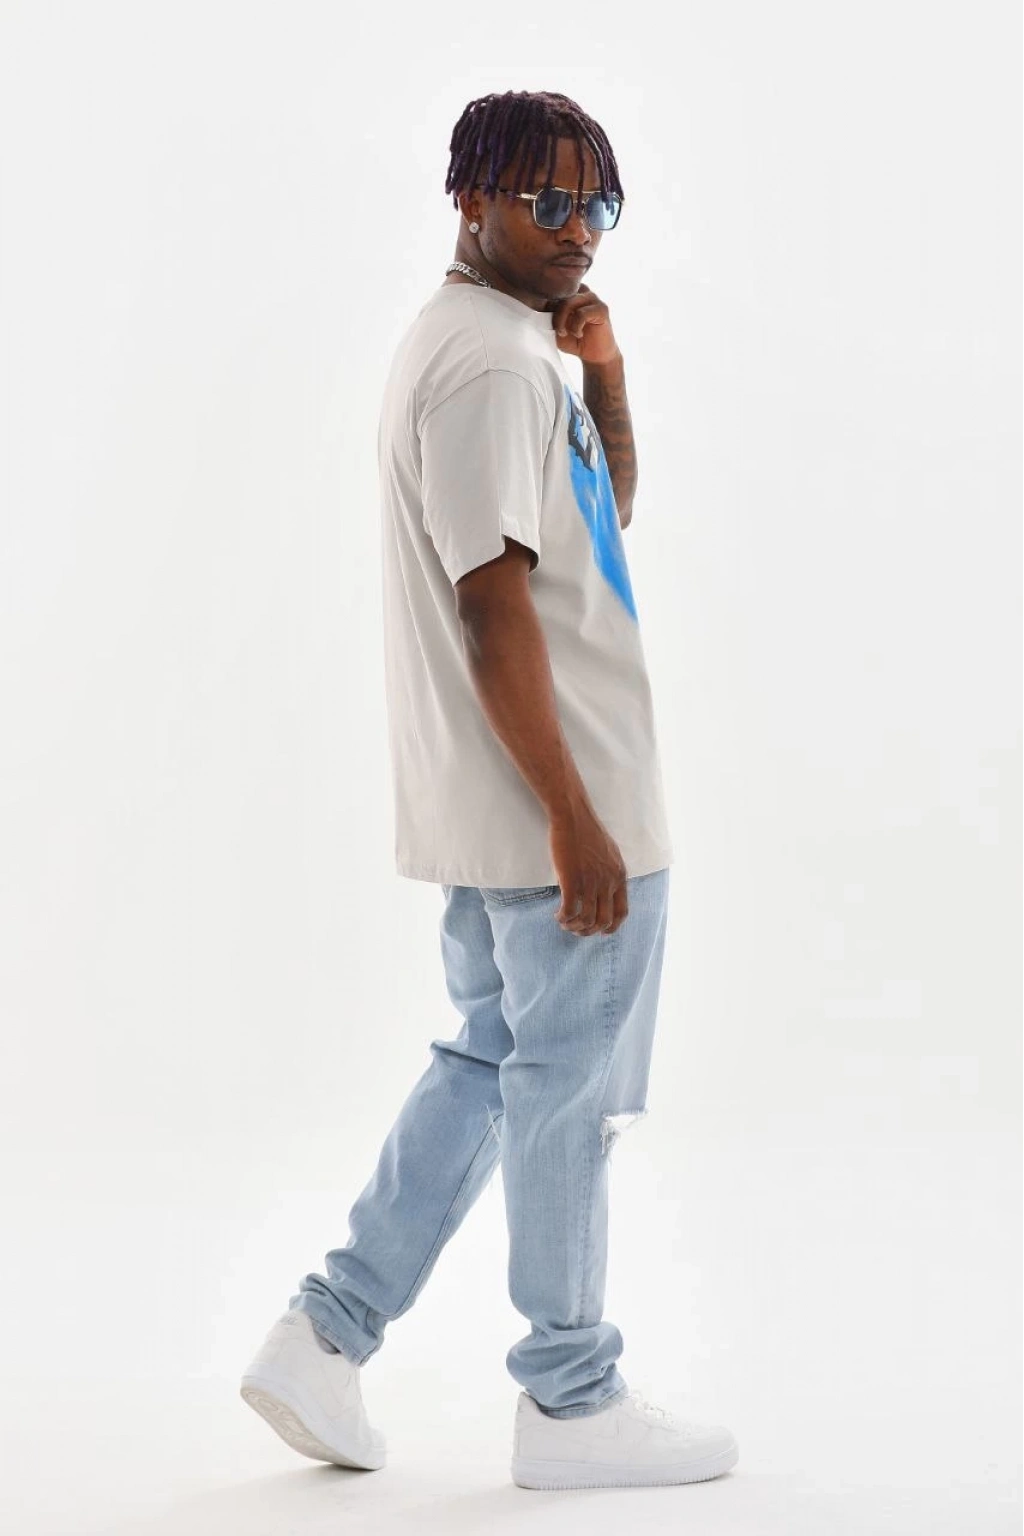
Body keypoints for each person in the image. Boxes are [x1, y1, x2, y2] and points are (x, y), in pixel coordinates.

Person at [241, 88, 738, 1492]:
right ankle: (572, 1400)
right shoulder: (491, 369)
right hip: (563, 813)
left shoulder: (501, 347)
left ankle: (323, 1337)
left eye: (598, 204)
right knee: (563, 1102)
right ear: (471, 200)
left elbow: (599, 516)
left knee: (492, 1071)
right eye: (548, 201)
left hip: (512, 811)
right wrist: (578, 820)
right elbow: (492, 608)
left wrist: (607, 372)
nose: (579, 231)